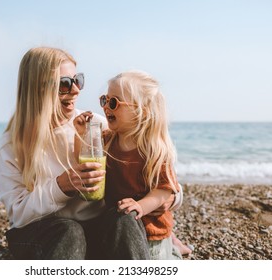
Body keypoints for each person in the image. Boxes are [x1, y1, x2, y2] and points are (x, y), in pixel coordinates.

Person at [0, 47, 180, 259]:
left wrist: (167, 200)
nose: (76, 90)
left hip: (95, 229)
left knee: (125, 218)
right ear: (37, 89)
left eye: (78, 80)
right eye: (65, 84)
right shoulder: (13, 143)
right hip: (46, 234)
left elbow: (159, 173)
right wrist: (62, 186)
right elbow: (18, 214)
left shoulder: (95, 125)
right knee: (69, 231)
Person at [74, 70, 189, 259]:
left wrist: (141, 206)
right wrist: (81, 134)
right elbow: (86, 160)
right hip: (118, 227)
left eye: (114, 103)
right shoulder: (107, 141)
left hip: (151, 232)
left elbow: (163, 191)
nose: (106, 108)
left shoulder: (154, 149)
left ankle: (174, 252)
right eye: (105, 100)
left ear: (141, 110)